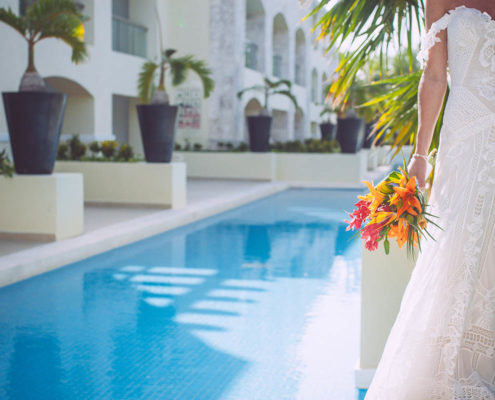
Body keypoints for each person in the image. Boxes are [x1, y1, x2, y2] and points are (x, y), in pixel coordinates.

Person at [364, 1, 495, 398]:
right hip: (465, 137)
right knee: (459, 244)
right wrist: (420, 156)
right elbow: (435, 77)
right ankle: (455, 369)